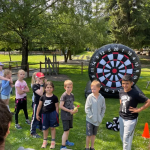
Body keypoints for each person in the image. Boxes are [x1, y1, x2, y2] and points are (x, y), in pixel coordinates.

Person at [119, 75, 150, 150]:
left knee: (126, 138)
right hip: (121, 118)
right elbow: (121, 100)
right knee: (122, 136)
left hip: (130, 119)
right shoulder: (121, 91)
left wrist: (139, 109)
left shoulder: (136, 93)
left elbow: (148, 101)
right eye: (123, 83)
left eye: (127, 83)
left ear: (131, 83)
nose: (125, 85)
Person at [36, 81, 59, 149]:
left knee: (52, 127)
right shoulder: (42, 97)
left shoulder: (55, 97)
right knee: (45, 128)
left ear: (53, 88)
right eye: (47, 87)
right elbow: (39, 106)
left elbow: (57, 106)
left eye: (50, 87)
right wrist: (37, 114)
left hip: (52, 114)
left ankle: (53, 141)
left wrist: (57, 114)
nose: (49, 89)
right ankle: (45, 141)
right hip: (44, 114)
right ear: (45, 88)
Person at [85, 80, 106, 150]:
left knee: (94, 134)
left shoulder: (102, 98)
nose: (93, 91)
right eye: (92, 89)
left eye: (94, 89)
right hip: (90, 120)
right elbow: (87, 108)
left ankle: (92, 147)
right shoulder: (89, 97)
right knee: (89, 134)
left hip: (97, 120)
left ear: (99, 88)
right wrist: (91, 116)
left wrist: (101, 116)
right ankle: (87, 147)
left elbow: (103, 108)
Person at [59, 80, 78, 150]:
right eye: (68, 87)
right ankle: (63, 146)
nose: (69, 89)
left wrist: (74, 108)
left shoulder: (72, 95)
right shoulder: (64, 96)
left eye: (71, 87)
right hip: (65, 116)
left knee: (68, 129)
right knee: (66, 130)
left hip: (70, 115)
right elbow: (60, 106)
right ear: (65, 87)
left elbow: (71, 104)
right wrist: (69, 110)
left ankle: (66, 141)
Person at [30, 72, 45, 138]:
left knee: (42, 116)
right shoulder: (34, 86)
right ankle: (33, 132)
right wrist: (42, 85)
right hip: (37, 104)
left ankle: (41, 128)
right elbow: (41, 93)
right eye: (40, 78)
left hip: (43, 103)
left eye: (42, 78)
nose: (41, 79)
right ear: (36, 78)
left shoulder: (43, 84)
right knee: (35, 117)